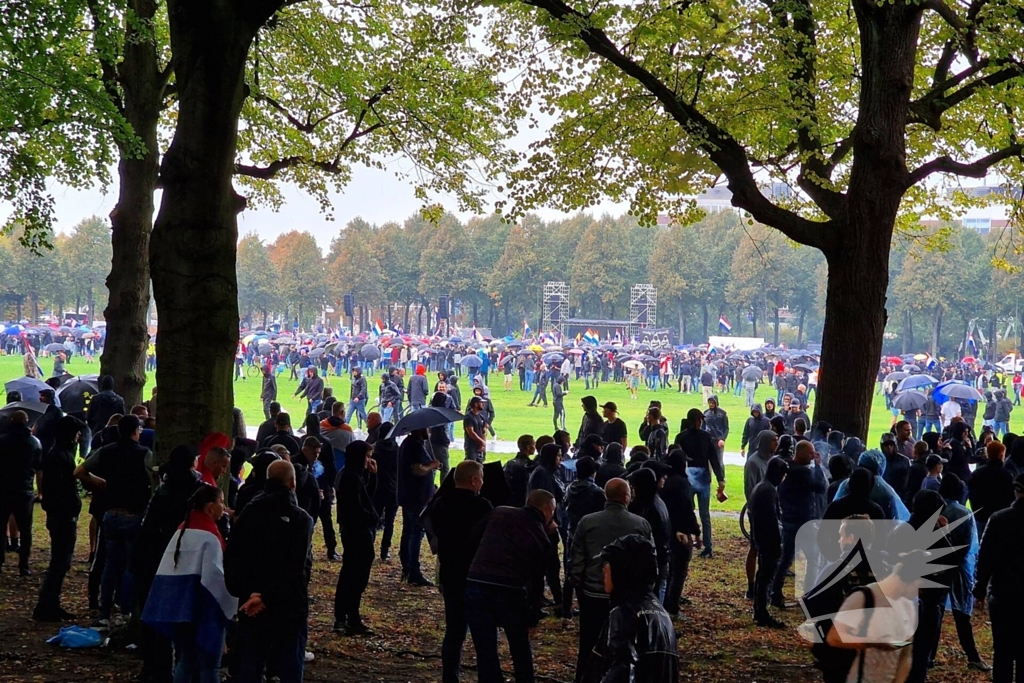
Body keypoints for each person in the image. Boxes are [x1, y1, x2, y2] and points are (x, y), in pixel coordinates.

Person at [225, 460, 313, 682]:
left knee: (251, 664)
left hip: (252, 601)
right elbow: (296, 566)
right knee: (290, 667)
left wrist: (248, 592)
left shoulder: (249, 512)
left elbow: (234, 556)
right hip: (288, 604)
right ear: (292, 483)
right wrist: (267, 596)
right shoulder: (300, 518)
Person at [142, 485, 237, 683]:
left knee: (186, 661)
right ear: (210, 507)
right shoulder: (210, 537)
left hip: (182, 609)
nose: (224, 507)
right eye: (221, 502)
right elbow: (215, 578)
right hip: (205, 609)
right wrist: (230, 605)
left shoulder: (182, 531)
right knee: (210, 665)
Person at [131, 445, 205, 681]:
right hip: (188, 559)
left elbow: (147, 529)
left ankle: (156, 668)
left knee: (157, 619)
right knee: (189, 618)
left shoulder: (163, 490)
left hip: (156, 558)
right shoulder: (199, 491)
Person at [465, 490, 554, 683]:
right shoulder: (540, 537)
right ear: (547, 509)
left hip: (477, 582)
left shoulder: (500, 512)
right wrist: (533, 615)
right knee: (520, 646)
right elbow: (537, 581)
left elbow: (473, 538)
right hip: (511, 590)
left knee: (485, 647)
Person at [568, 478, 650, 680]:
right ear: (626, 497)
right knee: (625, 644)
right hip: (627, 598)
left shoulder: (587, 522)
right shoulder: (640, 524)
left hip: (593, 592)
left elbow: (576, 559)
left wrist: (580, 585)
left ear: (606, 495)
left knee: (589, 643)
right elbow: (648, 563)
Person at [74, 414, 152, 621]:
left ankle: (104, 609)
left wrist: (100, 483)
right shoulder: (144, 454)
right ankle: (125, 609)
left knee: (109, 564)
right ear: (136, 431)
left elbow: (80, 471)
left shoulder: (106, 451)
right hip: (133, 514)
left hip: (110, 513)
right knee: (129, 565)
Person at [429, 461, 493, 683]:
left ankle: (450, 677)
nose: (482, 482)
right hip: (476, 576)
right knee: (484, 635)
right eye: (481, 478)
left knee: (454, 633)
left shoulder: (440, 504)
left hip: (450, 572)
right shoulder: (483, 507)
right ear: (474, 480)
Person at [586, 534, 679, 683]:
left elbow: (622, 670)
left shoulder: (625, 614)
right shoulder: (660, 612)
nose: (603, 570)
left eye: (607, 565)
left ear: (621, 570)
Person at [33, 415, 85, 620]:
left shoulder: (58, 454)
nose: (79, 437)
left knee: (60, 561)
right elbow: (62, 490)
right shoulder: (61, 457)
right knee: (59, 562)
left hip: (59, 514)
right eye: (77, 433)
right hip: (62, 516)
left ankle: (50, 603)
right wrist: (71, 509)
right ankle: (47, 604)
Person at [974, 472, 1024, 683]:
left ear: (1017, 491)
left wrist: (980, 588)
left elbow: (986, 558)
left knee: (1002, 651)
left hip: (1004, 592)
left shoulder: (999, 519)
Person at [937, 474, 990, 673]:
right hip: (958, 569)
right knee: (961, 614)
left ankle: (929, 655)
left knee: (935, 611)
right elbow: (968, 546)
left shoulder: (936, 509)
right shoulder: (963, 513)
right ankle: (973, 656)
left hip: (935, 568)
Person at [772, 441, 828, 607]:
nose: (813, 456)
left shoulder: (788, 468)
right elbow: (820, 487)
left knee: (785, 559)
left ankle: (775, 592)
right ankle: (808, 596)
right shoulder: (802, 472)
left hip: (789, 519)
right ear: (802, 453)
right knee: (813, 559)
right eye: (811, 453)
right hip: (803, 522)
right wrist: (818, 466)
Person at [333, 441, 379, 635]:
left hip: (356, 530)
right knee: (354, 575)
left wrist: (372, 476)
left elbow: (366, 496)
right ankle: (347, 617)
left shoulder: (352, 475)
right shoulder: (350, 477)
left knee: (354, 574)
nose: (369, 460)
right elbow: (356, 507)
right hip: (356, 531)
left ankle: (348, 616)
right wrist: (372, 517)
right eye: (367, 456)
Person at [675, 408, 725, 558]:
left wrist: (720, 478)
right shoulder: (702, 437)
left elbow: (714, 459)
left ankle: (707, 546)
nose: (700, 422)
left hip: (697, 476)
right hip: (695, 476)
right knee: (690, 512)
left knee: (703, 514)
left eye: (701, 420)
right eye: (698, 419)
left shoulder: (685, 437)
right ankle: (691, 541)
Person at [749, 457, 788, 628]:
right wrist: (778, 541)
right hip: (768, 540)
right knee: (766, 576)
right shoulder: (768, 491)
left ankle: (759, 610)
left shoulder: (762, 487)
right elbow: (772, 520)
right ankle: (762, 613)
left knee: (762, 575)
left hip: (761, 537)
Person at [528, 444, 567, 612]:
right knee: (547, 564)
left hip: (547, 522)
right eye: (558, 456)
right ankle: (541, 603)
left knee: (550, 565)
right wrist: (549, 520)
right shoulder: (542, 474)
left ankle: (555, 599)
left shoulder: (547, 472)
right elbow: (544, 500)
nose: (561, 459)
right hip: (544, 525)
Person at [398, 428, 439, 585]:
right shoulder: (414, 445)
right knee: (416, 532)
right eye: (427, 429)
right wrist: (432, 466)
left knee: (408, 531)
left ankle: (407, 566)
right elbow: (417, 469)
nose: (429, 431)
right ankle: (413, 570)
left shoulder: (409, 443)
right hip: (416, 497)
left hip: (410, 495)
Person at [743, 429, 778, 599]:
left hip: (771, 510)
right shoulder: (753, 462)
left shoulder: (773, 461)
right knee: (755, 547)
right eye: (773, 441)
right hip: (758, 512)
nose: (776, 444)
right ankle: (751, 586)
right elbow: (750, 489)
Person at [969, 440, 1016, 539]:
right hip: (1000, 517)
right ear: (1000, 455)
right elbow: (1010, 497)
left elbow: (972, 495)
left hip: (980, 516)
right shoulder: (1006, 475)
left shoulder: (977, 473)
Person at [504, 435, 537, 507]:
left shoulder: (509, 463)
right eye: (534, 444)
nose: (535, 447)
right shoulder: (529, 466)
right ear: (528, 447)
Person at [463, 397, 488, 462]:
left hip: (480, 446)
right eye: (481, 403)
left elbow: (484, 431)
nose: (483, 404)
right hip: (471, 446)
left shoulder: (481, 416)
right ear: (476, 404)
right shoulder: (468, 417)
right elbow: (471, 432)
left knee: (480, 466)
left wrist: (483, 444)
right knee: (471, 465)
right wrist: (481, 441)